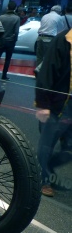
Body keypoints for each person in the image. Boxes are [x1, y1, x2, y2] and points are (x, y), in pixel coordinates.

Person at [35, 28, 72, 197]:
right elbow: (47, 73)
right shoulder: (63, 40)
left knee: (69, 149)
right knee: (47, 145)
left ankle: (45, 166)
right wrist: (43, 105)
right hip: (58, 105)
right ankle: (44, 179)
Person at [0, 1, 20, 81]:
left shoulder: (1, 17)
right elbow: (16, 32)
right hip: (10, 41)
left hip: (1, 40)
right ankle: (4, 75)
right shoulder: (17, 18)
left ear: (7, 8)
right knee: (8, 59)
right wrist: (15, 40)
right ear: (15, 9)